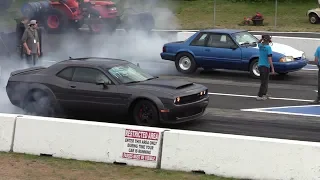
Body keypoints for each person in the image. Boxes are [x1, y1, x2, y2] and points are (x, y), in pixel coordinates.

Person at [256, 35, 275, 101]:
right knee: (264, 82)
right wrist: (272, 68)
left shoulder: (261, 46)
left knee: (264, 81)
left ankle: (264, 94)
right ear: (268, 41)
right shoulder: (268, 48)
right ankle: (259, 95)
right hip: (266, 66)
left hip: (260, 65)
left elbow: (258, 42)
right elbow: (269, 58)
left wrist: (262, 38)